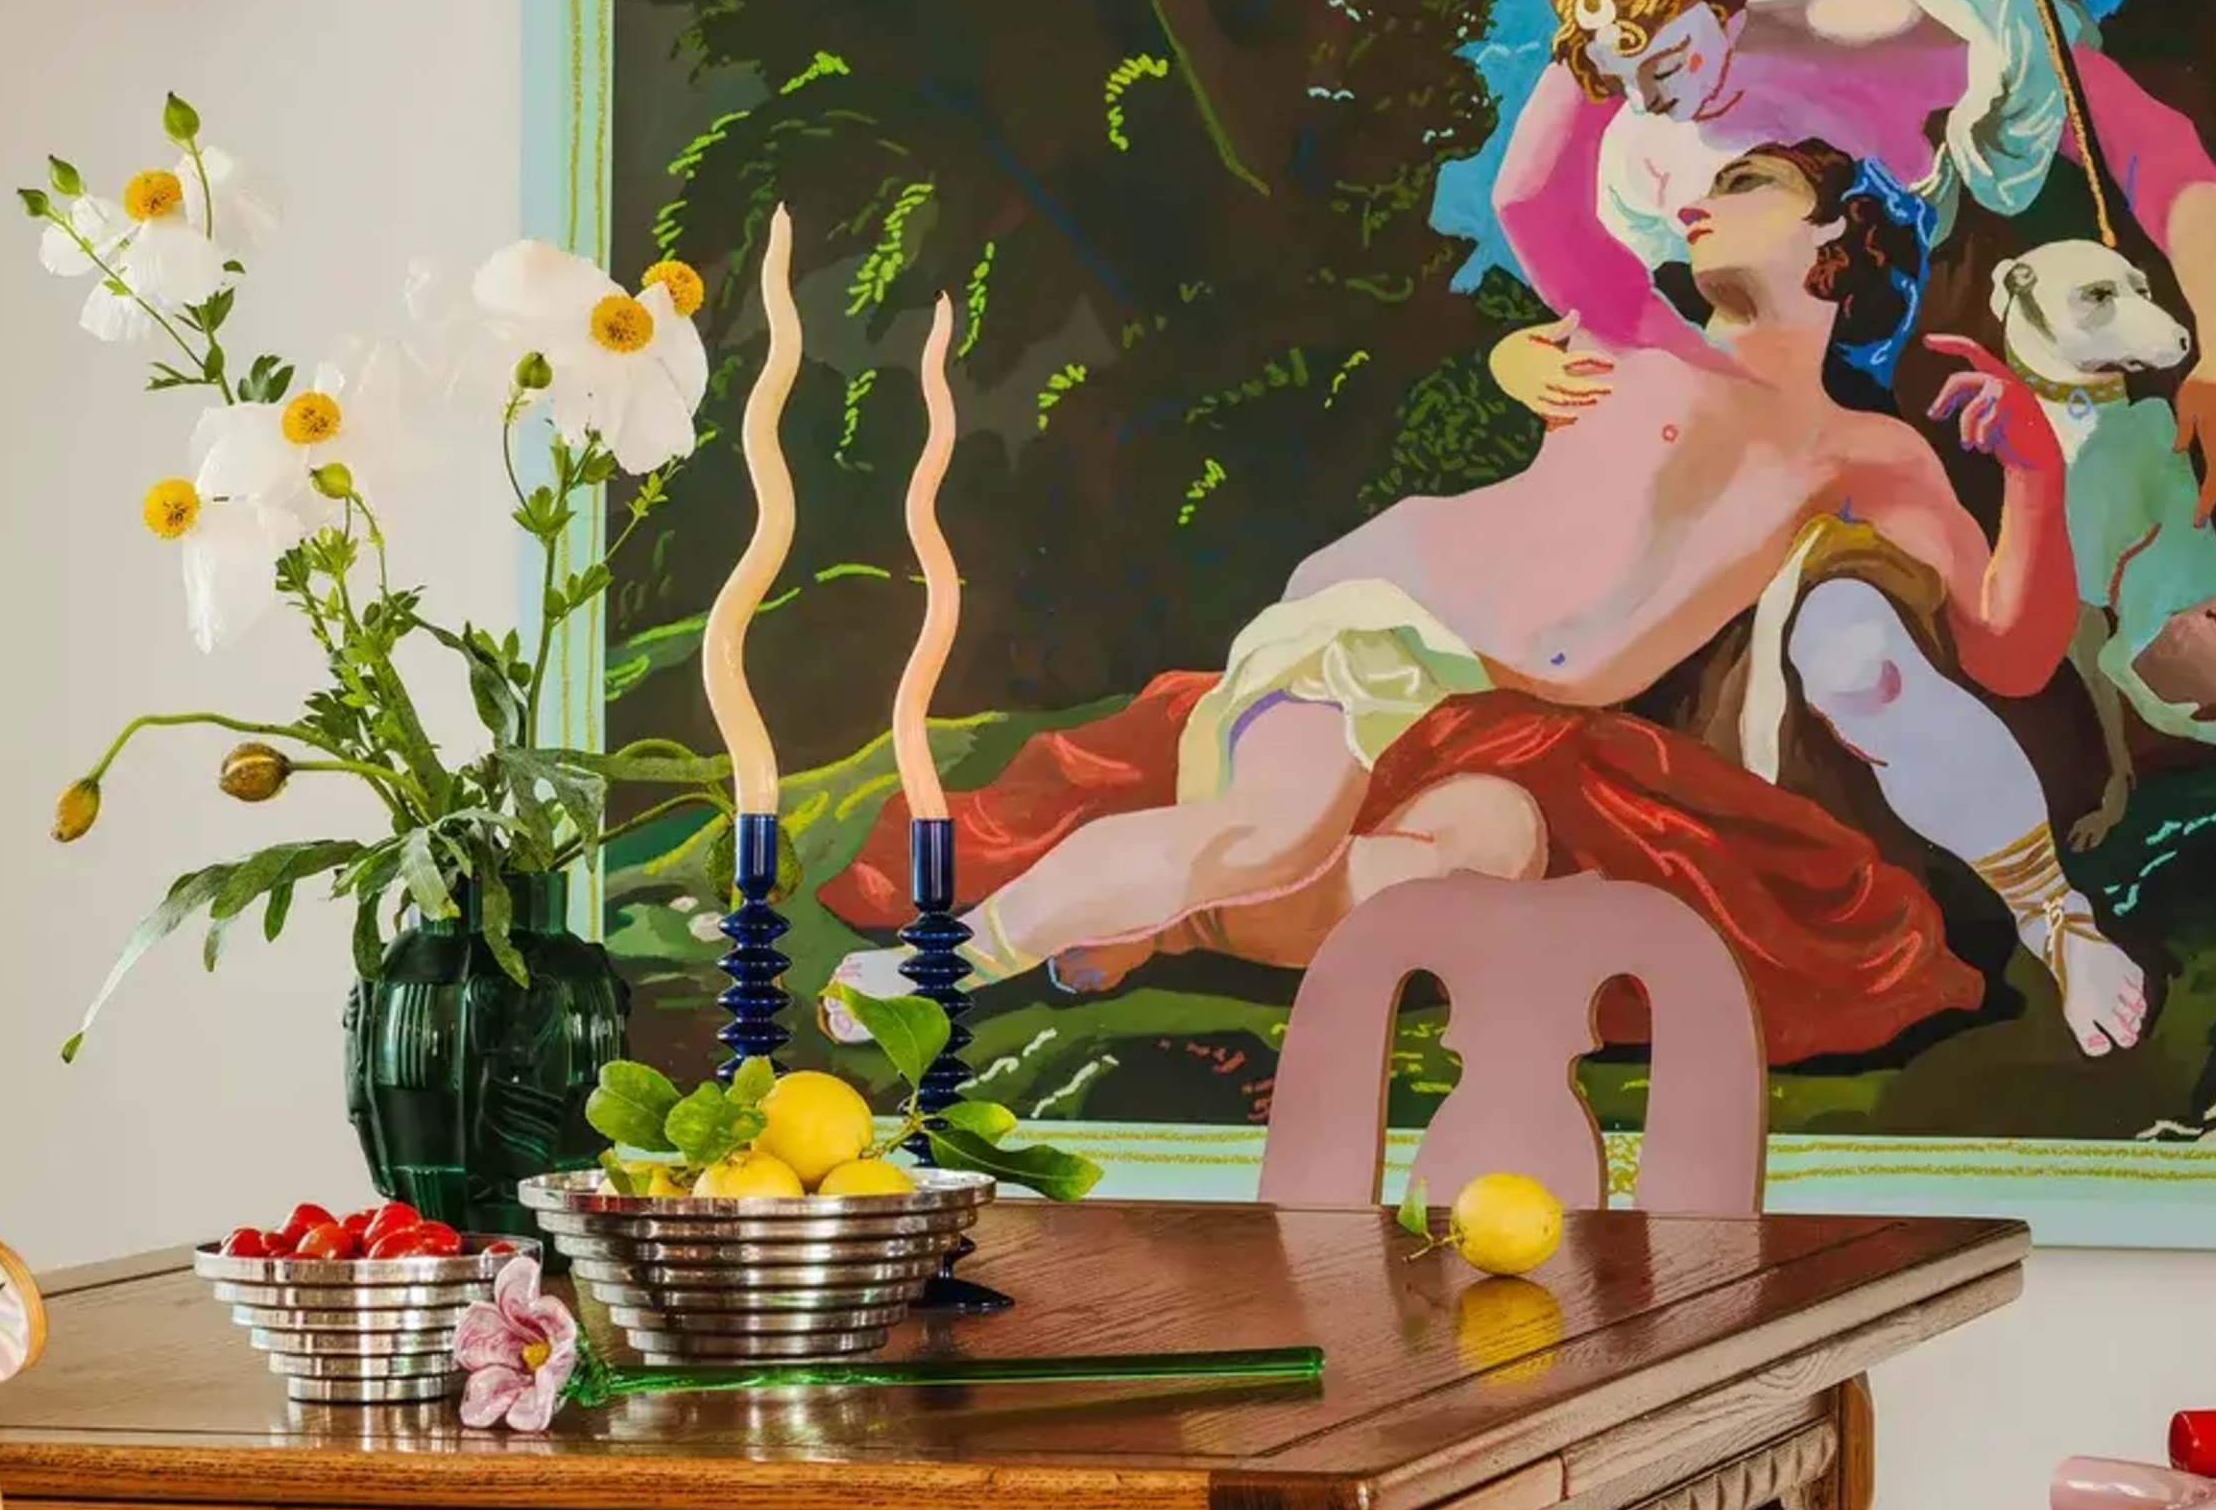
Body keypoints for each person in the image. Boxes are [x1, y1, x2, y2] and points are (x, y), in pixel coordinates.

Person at [885, 142, 2073, 1000]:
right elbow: (1528, 195)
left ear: (1839, 241)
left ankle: (1177, 918)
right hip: (1385, 626)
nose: (1703, 200)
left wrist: (2033, 473)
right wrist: (1593, 50)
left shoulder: (1865, 452)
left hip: (1501, 717)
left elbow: (2009, 649)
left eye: (1747, 183)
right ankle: (940, 963)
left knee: (1483, 868)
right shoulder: (1631, 334)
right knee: (1270, 836)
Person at [1488, 0, 2190, 1046]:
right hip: (1664, 531)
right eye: (1620, 82)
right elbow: (1545, 237)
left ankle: (2054, 922)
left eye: (1664, 64)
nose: (1653, 110)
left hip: (1826, 498)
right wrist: (1523, 360)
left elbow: (2009, 641)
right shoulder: (1666, 253)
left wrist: (2039, 460)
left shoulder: (1864, 60)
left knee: (1853, 643)